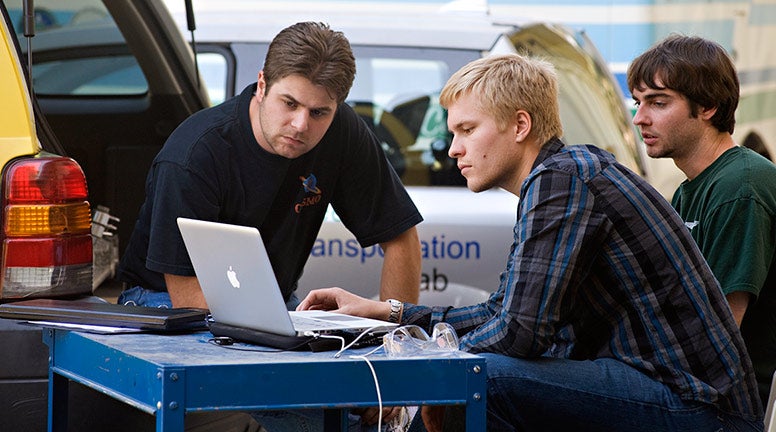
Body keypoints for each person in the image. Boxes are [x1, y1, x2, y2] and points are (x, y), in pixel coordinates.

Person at [297, 53, 764, 431]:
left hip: (702, 409)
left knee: (484, 380)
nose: (452, 148)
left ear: (520, 126)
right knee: (473, 373)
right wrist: (388, 314)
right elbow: (502, 314)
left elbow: (519, 333)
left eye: (466, 130)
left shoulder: (564, 179)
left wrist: (423, 363)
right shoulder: (556, 177)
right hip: (665, 391)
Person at [115, 21, 422, 430]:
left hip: (273, 309)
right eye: (289, 104)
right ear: (261, 84)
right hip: (163, 304)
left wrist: (392, 360)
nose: (301, 125)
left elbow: (401, 238)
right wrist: (292, 345)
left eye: (319, 113)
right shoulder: (195, 154)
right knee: (318, 410)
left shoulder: (343, 131)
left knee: (370, 395)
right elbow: (188, 295)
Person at [629, 34, 776, 405]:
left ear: (708, 106)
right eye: (638, 102)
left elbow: (718, 336)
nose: (639, 118)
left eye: (657, 103)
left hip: (725, 403)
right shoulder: (689, 190)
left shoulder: (741, 186)